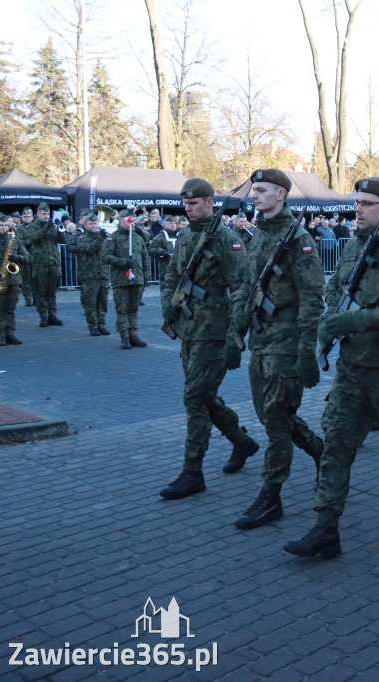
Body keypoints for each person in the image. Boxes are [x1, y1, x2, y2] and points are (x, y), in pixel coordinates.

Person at [284, 176, 379, 558]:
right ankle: (325, 528)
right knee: (335, 446)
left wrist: (359, 320)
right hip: (352, 370)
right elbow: (337, 290)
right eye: (357, 202)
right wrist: (330, 321)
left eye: (367, 203)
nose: (358, 209)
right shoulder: (352, 245)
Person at [157, 179, 261, 500]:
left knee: (194, 398)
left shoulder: (227, 239)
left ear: (210, 202)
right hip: (189, 328)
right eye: (185, 204)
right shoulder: (186, 234)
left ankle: (192, 472)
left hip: (214, 332)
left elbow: (243, 289)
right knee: (203, 397)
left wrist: (235, 336)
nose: (187, 209)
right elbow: (173, 273)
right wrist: (167, 304)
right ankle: (241, 442)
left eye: (193, 203)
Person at [234, 169, 325, 530]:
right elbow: (247, 284)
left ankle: (271, 497)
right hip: (260, 338)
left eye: (262, 190)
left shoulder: (298, 239)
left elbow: (312, 297)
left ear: (281, 195)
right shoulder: (259, 235)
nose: (254, 196)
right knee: (270, 414)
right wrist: (235, 329)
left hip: (287, 342)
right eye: (254, 190)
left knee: (275, 421)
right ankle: (320, 451)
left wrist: (306, 350)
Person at [101, 210, 150, 349]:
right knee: (122, 309)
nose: (132, 223)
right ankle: (124, 336)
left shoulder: (138, 238)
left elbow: (145, 258)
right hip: (121, 280)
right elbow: (105, 256)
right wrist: (123, 262)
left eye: (133, 220)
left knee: (133, 309)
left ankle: (133, 334)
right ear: (121, 221)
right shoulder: (113, 238)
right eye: (129, 220)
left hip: (137, 279)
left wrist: (146, 276)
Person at [20, 202, 67, 327]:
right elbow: (31, 239)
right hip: (39, 263)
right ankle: (43, 317)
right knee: (40, 291)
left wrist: (59, 228)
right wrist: (45, 228)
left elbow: (63, 240)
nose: (46, 216)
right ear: (38, 214)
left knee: (52, 291)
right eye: (43, 214)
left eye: (48, 214)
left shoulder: (52, 225)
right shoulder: (32, 227)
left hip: (54, 262)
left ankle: (52, 315)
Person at [65, 212, 111, 336]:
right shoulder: (82, 238)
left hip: (103, 274)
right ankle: (93, 326)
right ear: (85, 225)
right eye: (91, 223)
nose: (94, 226)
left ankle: (101, 324)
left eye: (96, 223)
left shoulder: (102, 236)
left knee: (103, 302)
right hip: (89, 275)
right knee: (90, 302)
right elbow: (89, 248)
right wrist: (100, 238)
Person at [0, 213, 30, 346]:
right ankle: (0, 335)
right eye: (1, 225)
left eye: (6, 225)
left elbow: (27, 257)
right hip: (0, 279)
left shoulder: (14, 239)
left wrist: (18, 257)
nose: (4, 228)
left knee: (10, 309)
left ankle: (10, 334)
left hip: (13, 279)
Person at [149, 215, 181, 281]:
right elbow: (151, 249)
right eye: (170, 224)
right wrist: (161, 251)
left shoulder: (181, 234)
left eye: (174, 223)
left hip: (181, 270)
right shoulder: (160, 236)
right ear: (164, 225)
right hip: (166, 270)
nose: (173, 225)